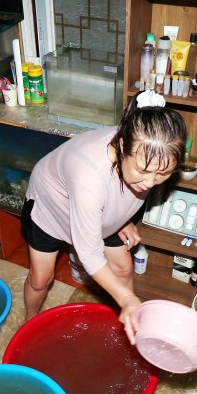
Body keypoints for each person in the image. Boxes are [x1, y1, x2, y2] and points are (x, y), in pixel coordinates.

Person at [21, 90, 186, 342]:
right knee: (41, 279)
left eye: (162, 174)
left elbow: (123, 188)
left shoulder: (139, 141)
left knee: (123, 267)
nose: (151, 183)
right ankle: (29, 324)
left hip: (95, 208)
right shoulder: (89, 177)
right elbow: (89, 254)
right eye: (144, 172)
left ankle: (131, 330)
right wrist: (127, 297)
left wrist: (122, 218)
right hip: (51, 207)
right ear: (121, 146)